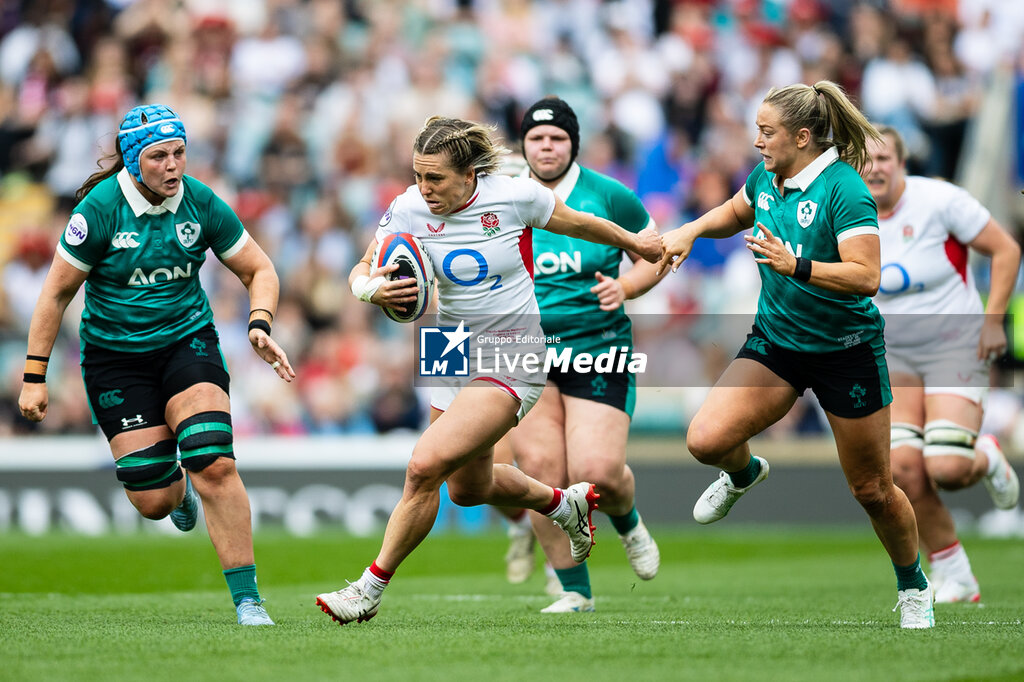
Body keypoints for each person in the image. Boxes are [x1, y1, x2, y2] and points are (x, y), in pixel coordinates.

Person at [315, 115, 662, 625]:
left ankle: (368, 588)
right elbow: (363, 266)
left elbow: (581, 224)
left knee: (423, 466)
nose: (424, 188)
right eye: (418, 175)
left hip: (512, 348)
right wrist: (371, 289)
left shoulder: (515, 196)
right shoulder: (408, 207)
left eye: (435, 178)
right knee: (467, 489)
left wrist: (635, 243)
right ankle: (561, 504)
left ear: (469, 173)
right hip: (448, 346)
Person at [658, 81, 935, 629]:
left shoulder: (844, 189)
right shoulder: (768, 175)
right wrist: (691, 230)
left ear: (802, 137)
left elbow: (866, 277)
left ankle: (913, 586)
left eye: (767, 132)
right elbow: (736, 211)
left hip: (845, 351)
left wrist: (796, 266)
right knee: (706, 440)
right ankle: (744, 474)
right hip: (778, 342)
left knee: (873, 490)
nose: (757, 141)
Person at [18, 104, 295, 626]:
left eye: (179, 153)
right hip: (115, 360)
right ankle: (178, 490)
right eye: (159, 156)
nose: (173, 166)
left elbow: (259, 269)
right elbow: (54, 294)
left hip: (187, 342)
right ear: (132, 160)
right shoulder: (98, 212)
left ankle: (248, 601)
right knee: (153, 501)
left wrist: (259, 322)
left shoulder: (201, 201)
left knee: (214, 459)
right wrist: (35, 377)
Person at [496, 96, 666, 613]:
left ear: (573, 144)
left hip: (598, 346)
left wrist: (627, 286)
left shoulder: (609, 196)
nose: (546, 147)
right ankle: (575, 590)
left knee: (597, 472)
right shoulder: (505, 196)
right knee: (541, 472)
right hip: (525, 350)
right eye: (536, 138)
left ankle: (628, 522)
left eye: (557, 138)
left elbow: (656, 254)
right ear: (524, 144)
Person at [864, 125, 1020, 603]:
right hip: (893, 354)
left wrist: (993, 321)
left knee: (948, 468)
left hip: (954, 344)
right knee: (903, 470)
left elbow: (1006, 249)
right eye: (865, 159)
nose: (874, 167)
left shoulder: (940, 200)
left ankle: (987, 456)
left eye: (884, 158)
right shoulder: (847, 213)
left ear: (902, 162)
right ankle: (956, 574)